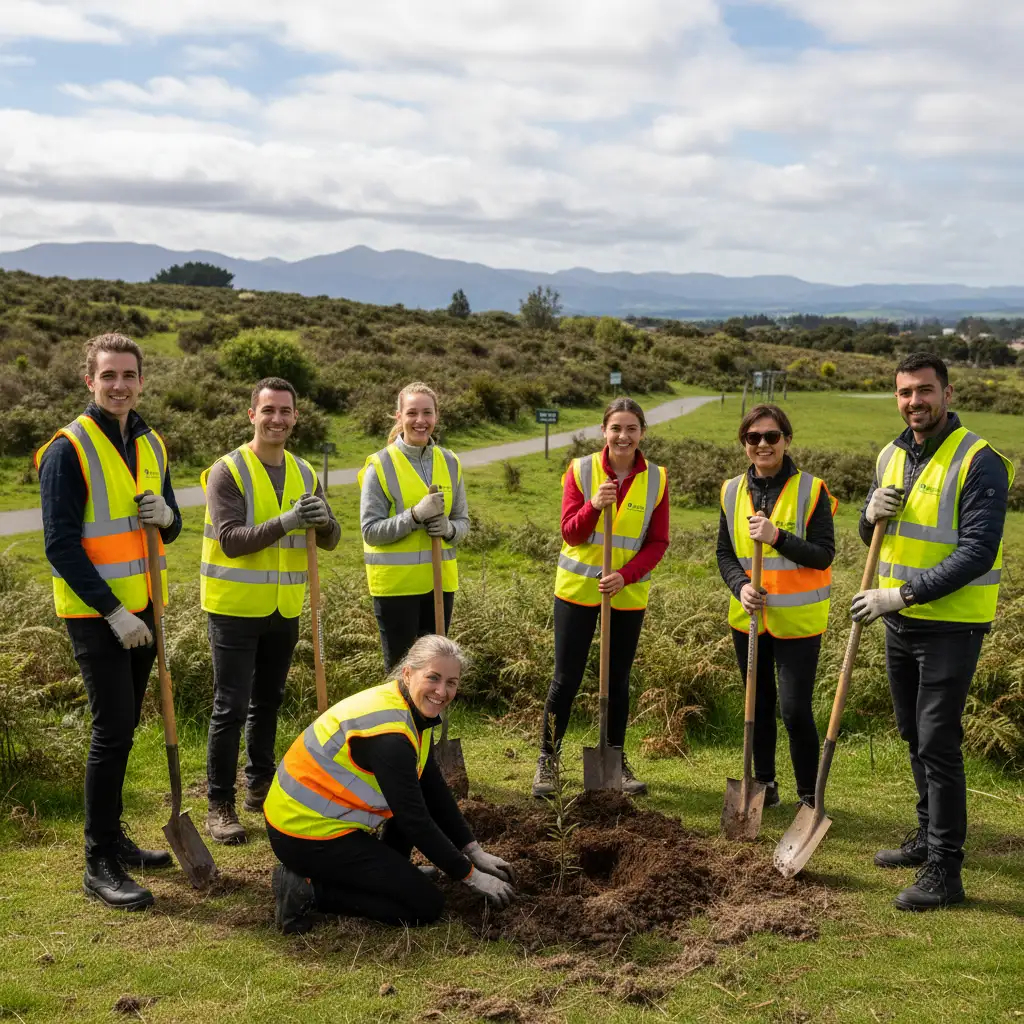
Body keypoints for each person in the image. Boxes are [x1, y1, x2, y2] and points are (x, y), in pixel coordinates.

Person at [852, 352, 1012, 912]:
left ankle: (946, 868)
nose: (913, 401)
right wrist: (869, 514)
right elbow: (872, 533)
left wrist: (902, 594)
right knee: (911, 734)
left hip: (952, 624)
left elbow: (977, 551)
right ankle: (926, 836)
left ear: (947, 393)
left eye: (923, 390)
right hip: (899, 623)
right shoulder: (892, 453)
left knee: (938, 741)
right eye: (904, 393)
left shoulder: (980, 461)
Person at [36, 332, 182, 911]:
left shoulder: (151, 443)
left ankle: (115, 837)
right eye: (108, 376)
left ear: (141, 380)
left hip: (145, 609)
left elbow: (167, 530)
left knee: (123, 730)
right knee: (112, 728)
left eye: (129, 376)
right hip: (99, 615)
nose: (119, 386)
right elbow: (59, 546)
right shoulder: (67, 450)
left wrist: (167, 514)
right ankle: (97, 860)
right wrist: (114, 612)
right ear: (88, 380)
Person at [263, 634, 515, 933]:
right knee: (425, 904)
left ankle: (391, 874)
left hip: (317, 821)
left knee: (410, 803)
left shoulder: (408, 707)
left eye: (451, 682)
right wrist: (471, 876)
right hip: (304, 835)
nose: (441, 691)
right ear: (408, 673)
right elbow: (415, 821)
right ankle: (307, 889)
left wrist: (473, 850)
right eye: (433, 678)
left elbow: (429, 782)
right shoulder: (389, 734)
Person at [201, 376, 340, 845]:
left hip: (284, 606)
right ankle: (219, 803)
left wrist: (324, 522)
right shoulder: (228, 470)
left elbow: (332, 537)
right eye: (268, 411)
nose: (276, 419)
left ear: (295, 417)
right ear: (251, 415)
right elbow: (231, 540)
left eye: (285, 411)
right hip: (234, 608)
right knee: (230, 705)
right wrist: (289, 521)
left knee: (269, 701)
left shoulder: (305, 471)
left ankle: (259, 785)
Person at [532, 397, 669, 799]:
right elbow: (570, 533)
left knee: (618, 681)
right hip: (577, 591)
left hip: (625, 594)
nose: (623, 436)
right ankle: (548, 759)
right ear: (603, 431)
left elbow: (658, 541)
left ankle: (614, 758)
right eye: (616, 428)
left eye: (631, 428)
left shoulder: (657, 478)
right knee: (566, 678)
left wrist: (624, 576)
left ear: (642, 432)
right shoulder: (581, 470)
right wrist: (594, 504)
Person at [717, 404, 837, 810]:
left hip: (798, 622)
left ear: (787, 439)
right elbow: (725, 554)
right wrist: (739, 587)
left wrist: (777, 536)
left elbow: (823, 555)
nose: (763, 444)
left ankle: (809, 796)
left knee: (795, 710)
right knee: (757, 706)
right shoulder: (731, 490)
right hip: (749, 618)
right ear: (744, 444)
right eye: (754, 438)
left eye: (772, 436)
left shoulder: (812, 490)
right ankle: (764, 785)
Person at [358, 382, 469, 671]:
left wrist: (448, 529)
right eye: (412, 413)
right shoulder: (380, 465)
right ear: (399, 416)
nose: (420, 421)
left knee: (435, 670)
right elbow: (371, 530)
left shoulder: (451, 462)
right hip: (397, 589)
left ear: (436, 416)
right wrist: (416, 515)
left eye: (427, 413)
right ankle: (396, 718)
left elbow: (463, 522)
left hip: (439, 585)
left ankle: (428, 719)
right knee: (401, 671)